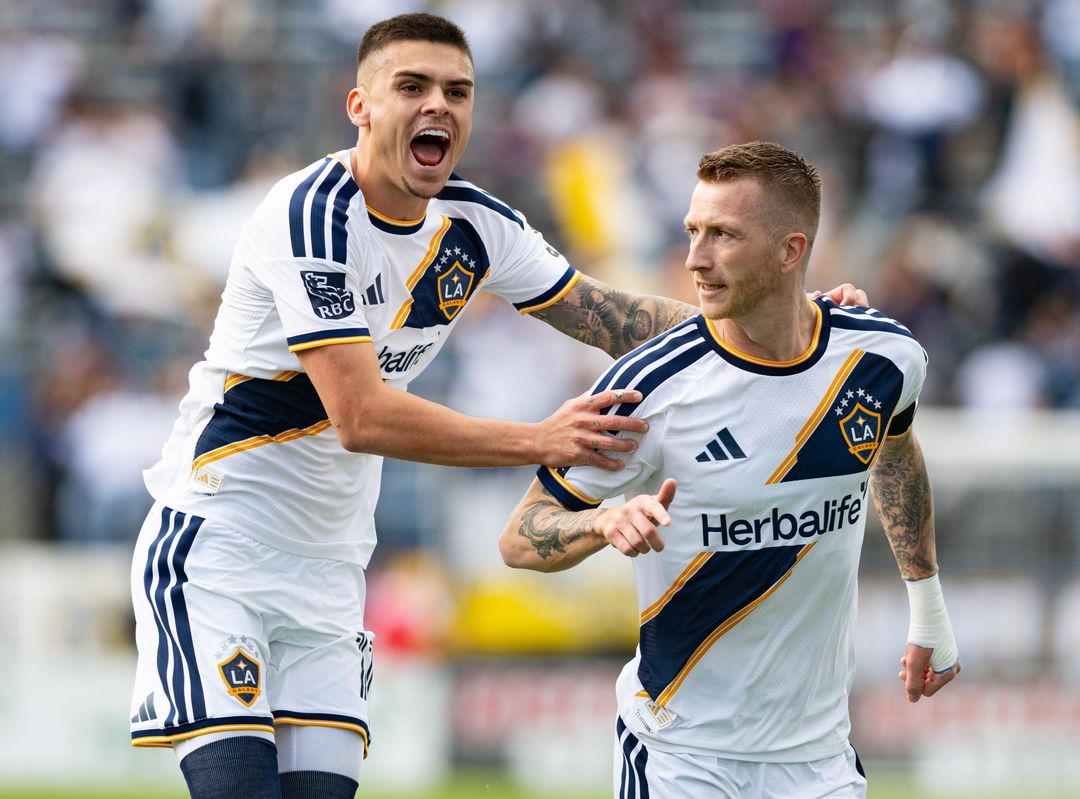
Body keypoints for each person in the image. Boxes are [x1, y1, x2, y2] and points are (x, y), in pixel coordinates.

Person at [127, 15, 867, 799]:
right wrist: (540, 439)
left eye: (457, 91)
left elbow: (609, 315)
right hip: (220, 548)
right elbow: (360, 416)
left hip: (329, 572)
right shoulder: (310, 216)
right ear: (361, 106)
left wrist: (792, 317)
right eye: (411, 87)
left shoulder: (476, 227)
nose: (437, 106)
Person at [499, 141, 960, 798]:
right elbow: (520, 535)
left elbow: (897, 451)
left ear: (790, 250)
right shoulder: (652, 387)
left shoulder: (882, 357)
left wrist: (929, 608)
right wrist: (604, 521)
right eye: (693, 231)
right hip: (682, 756)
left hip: (819, 761)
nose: (696, 257)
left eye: (724, 235)